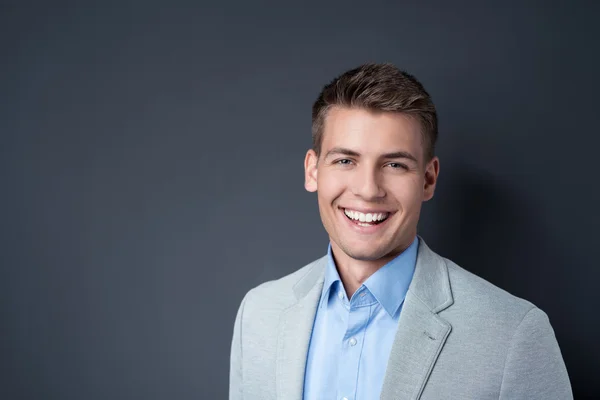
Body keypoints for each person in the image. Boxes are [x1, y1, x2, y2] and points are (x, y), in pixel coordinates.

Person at [229, 63, 572, 400]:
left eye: (394, 165)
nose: (368, 189)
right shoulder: (259, 314)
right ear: (312, 171)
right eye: (345, 160)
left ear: (428, 179)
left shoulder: (514, 334)